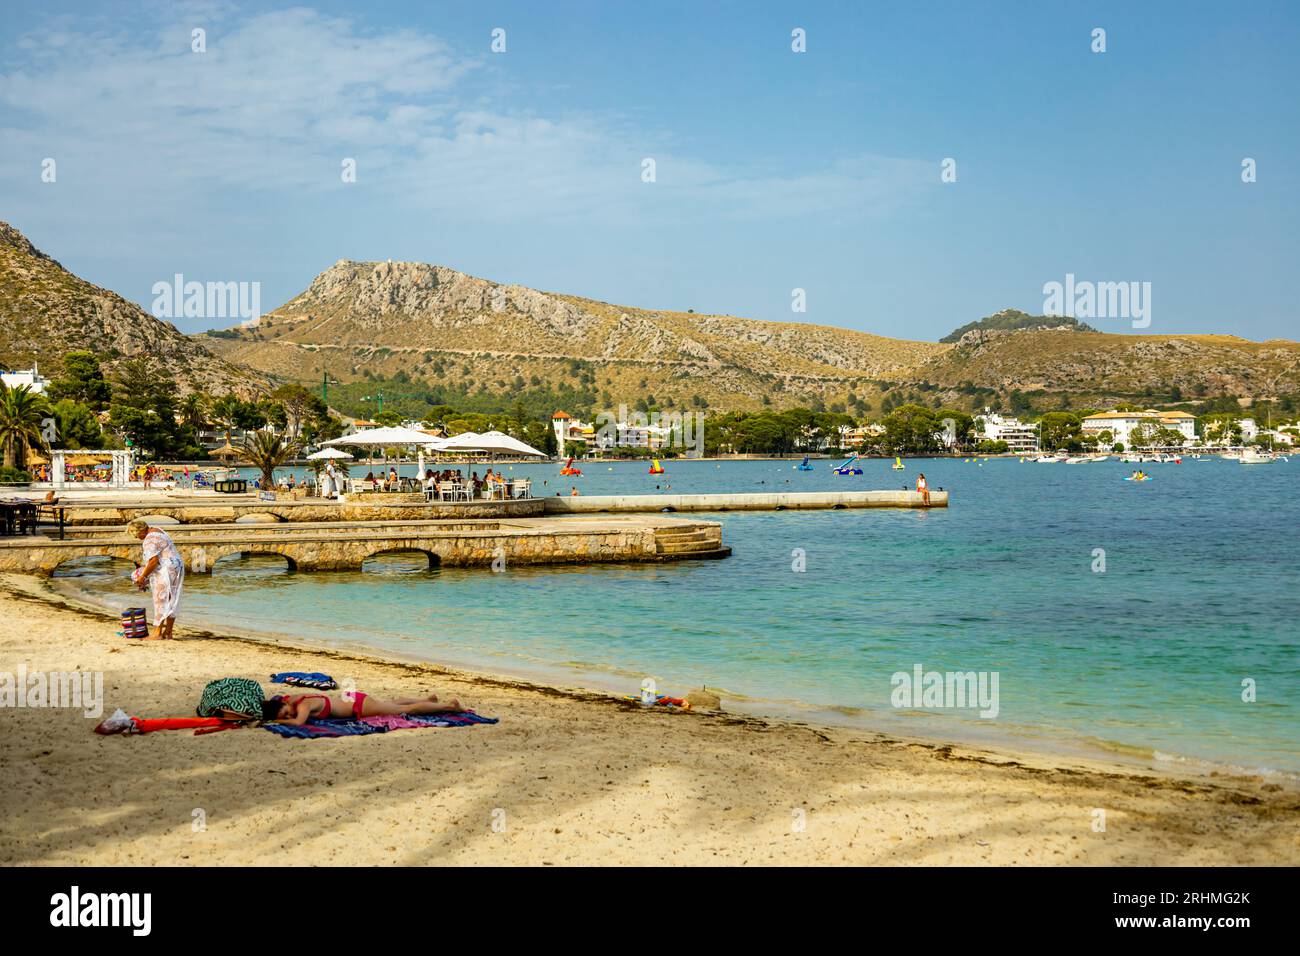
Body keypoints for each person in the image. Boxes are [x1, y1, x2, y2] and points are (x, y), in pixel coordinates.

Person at [126, 518, 185, 640]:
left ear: (140, 531)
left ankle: (157, 633)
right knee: (172, 599)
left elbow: (153, 562)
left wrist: (142, 577)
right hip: (176, 566)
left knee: (160, 599)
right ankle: (168, 633)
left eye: (136, 535)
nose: (137, 538)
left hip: (166, 570)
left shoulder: (149, 540)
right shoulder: (158, 531)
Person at [262, 689, 463, 724]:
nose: (289, 716)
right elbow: (275, 702)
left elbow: (298, 723)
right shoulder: (292, 699)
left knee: (405, 711)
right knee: (390, 704)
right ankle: (428, 700)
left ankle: (449, 706)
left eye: (286, 713)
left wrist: (273, 720)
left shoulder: (302, 705)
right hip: (353, 699)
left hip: (358, 706)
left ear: (284, 705)